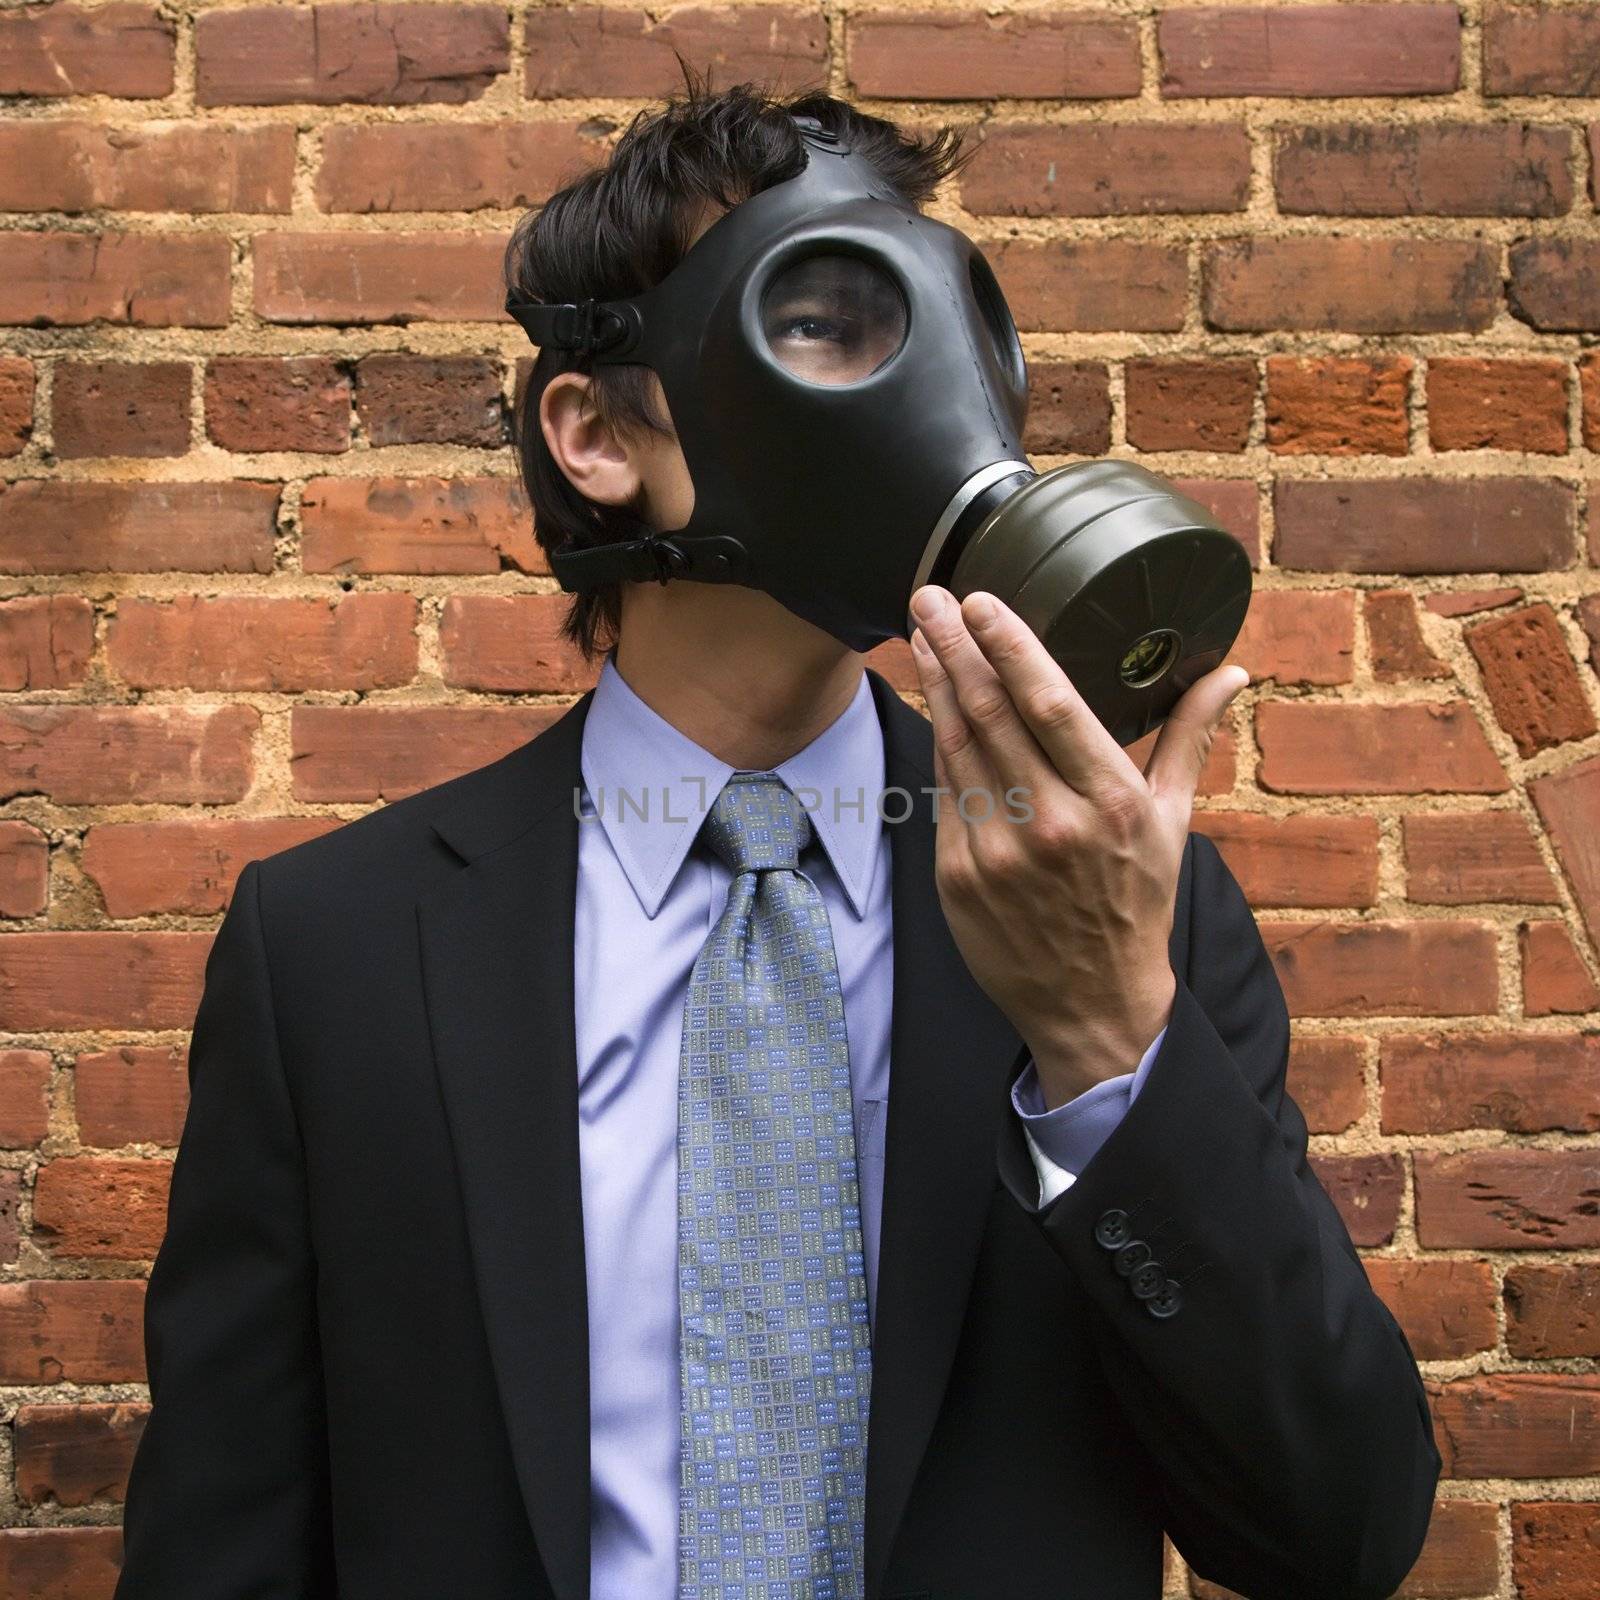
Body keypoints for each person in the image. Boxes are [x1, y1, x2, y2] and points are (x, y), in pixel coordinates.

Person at [114, 82, 1441, 1600]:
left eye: (944, 326)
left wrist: (1105, 1040)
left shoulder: (1124, 910)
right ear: (599, 429)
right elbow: (223, 1546)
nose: (918, 392)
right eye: (821, 317)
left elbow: (1336, 1535)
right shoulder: (336, 952)